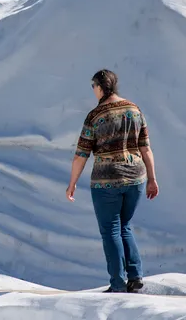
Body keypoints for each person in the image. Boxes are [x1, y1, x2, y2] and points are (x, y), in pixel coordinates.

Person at [67, 69, 159, 293]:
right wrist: (152, 178)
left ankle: (117, 283)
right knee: (125, 226)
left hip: (107, 180)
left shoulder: (95, 115)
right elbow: (145, 147)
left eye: (93, 87)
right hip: (136, 177)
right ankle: (135, 276)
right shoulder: (134, 110)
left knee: (110, 230)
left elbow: (81, 154)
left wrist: (72, 183)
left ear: (99, 87)